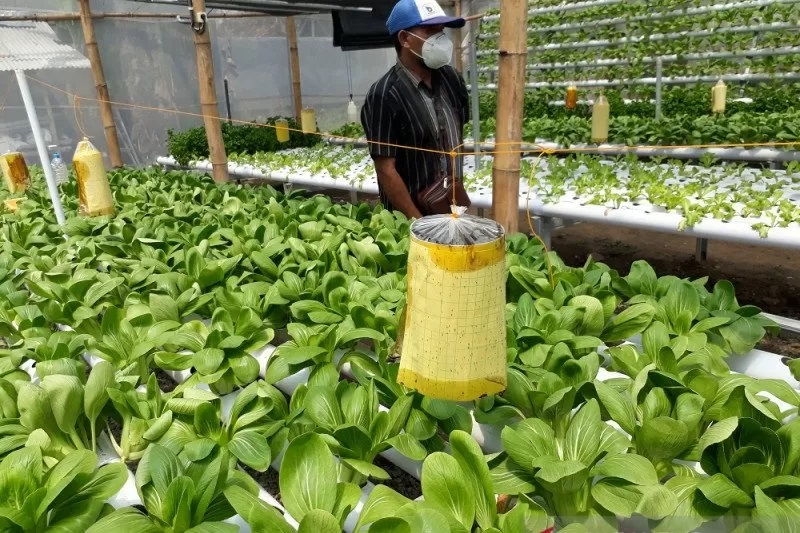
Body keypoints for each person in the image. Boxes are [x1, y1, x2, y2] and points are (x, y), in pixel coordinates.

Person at [361, 0, 470, 219]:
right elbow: (386, 169)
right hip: (410, 219)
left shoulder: (451, 79)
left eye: (441, 30)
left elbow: (457, 138)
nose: (440, 38)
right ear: (404, 39)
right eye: (431, 30)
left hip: (452, 208)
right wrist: (417, 222)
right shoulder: (384, 95)